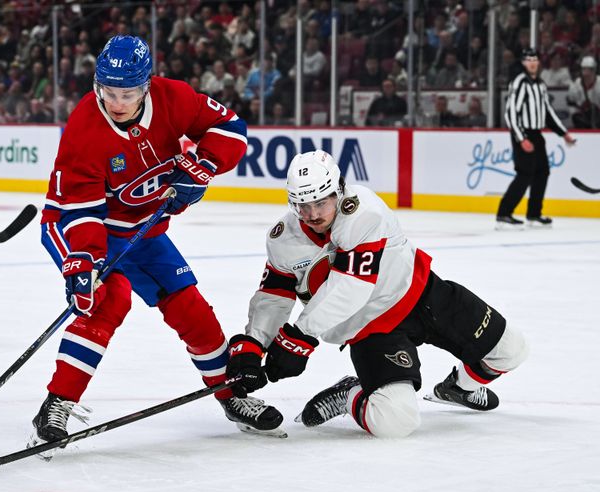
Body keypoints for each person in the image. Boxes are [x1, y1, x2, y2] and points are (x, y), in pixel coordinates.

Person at [34, 35, 284, 449]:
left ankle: (230, 395)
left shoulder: (174, 98)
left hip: (141, 230)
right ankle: (57, 403)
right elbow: (80, 211)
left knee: (192, 311)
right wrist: (85, 264)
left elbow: (230, 128)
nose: (116, 101)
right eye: (108, 91)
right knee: (106, 300)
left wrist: (203, 164)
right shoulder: (84, 128)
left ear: (146, 85)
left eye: (127, 92)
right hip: (78, 227)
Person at [225, 149, 530, 438]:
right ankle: (350, 395)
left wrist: (300, 337)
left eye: (321, 202)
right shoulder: (283, 239)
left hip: (423, 295)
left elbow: (352, 286)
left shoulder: (363, 211)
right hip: (370, 330)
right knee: (396, 421)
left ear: (339, 190)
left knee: (511, 350)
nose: (313, 214)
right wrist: (254, 344)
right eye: (303, 206)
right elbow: (273, 296)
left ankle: (460, 388)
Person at [498, 49, 576, 229]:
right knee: (524, 174)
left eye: (535, 59)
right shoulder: (519, 83)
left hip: (537, 134)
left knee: (542, 172)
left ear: (538, 63)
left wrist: (563, 133)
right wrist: (521, 138)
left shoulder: (540, 84)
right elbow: (511, 114)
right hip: (523, 133)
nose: (532, 62)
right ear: (524, 63)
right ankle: (504, 214)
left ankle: (534, 214)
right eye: (528, 60)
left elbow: (547, 112)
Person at [567, 56, 600, 129]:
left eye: (590, 69)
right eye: (584, 69)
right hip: (582, 121)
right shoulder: (575, 85)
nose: (587, 72)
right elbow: (571, 105)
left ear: (595, 70)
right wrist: (576, 115)